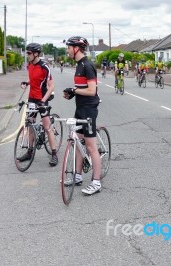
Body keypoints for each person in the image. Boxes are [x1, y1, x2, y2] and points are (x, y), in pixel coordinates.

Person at [63, 36, 102, 195]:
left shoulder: (87, 65)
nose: (67, 51)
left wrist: (74, 91)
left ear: (76, 48)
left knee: (91, 146)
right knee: (78, 142)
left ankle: (96, 182)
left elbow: (92, 91)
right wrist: (73, 93)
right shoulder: (78, 65)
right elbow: (82, 87)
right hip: (80, 108)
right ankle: (78, 176)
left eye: (68, 48)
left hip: (89, 110)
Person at [19, 43, 59, 167]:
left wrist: (43, 100)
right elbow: (33, 79)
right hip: (32, 98)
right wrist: (26, 82)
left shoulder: (44, 66)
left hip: (42, 99)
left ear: (36, 54)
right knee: (30, 124)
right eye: (27, 53)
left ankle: (54, 154)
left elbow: (51, 86)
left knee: (47, 127)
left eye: (29, 53)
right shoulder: (29, 65)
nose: (27, 55)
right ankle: (30, 151)